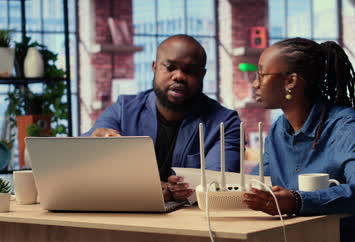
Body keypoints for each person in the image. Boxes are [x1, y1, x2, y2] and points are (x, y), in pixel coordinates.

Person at [243, 38, 355, 242]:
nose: (255, 84)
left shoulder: (345, 125)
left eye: (261, 74)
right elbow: (257, 182)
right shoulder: (279, 129)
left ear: (290, 81)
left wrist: (297, 201)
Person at [83, 34, 241, 203]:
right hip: (127, 217)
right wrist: (95, 142)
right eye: (170, 67)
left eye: (190, 71)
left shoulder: (225, 123)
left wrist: (187, 189)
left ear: (202, 75)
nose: (179, 76)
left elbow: (217, 184)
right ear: (155, 67)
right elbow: (84, 156)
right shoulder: (123, 110)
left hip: (193, 223)